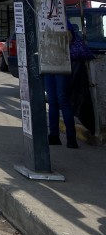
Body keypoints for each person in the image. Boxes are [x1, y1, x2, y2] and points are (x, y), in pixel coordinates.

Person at [45, 21, 91, 149]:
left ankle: (71, 138)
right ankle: (54, 135)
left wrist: (55, 40)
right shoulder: (42, 21)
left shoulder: (63, 22)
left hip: (61, 64)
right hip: (48, 64)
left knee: (62, 99)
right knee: (53, 101)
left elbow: (69, 39)